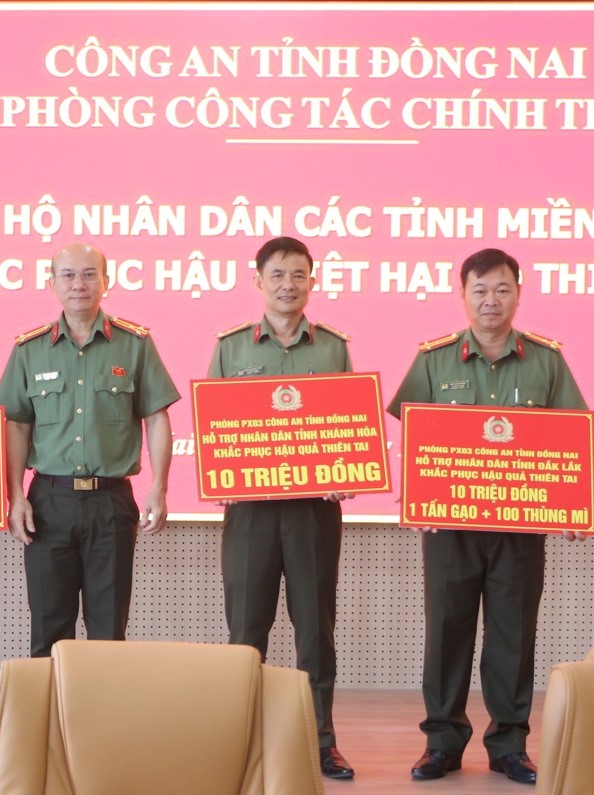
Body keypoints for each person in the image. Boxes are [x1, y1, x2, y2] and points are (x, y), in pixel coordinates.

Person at [386, 248, 588, 785]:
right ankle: (442, 743)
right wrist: (416, 494)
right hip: (450, 527)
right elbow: (414, 434)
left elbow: (571, 438)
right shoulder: (434, 359)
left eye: (502, 289)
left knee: (512, 636)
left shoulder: (547, 360)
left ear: (518, 293)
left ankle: (509, 745)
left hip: (519, 529)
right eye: (480, 290)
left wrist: (574, 505)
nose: (491, 300)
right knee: (446, 633)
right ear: (463, 295)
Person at [206, 236, 355, 781]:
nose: (288, 285)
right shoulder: (231, 348)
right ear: (259, 281)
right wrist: (219, 469)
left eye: (298, 275)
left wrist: (347, 470)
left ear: (312, 281)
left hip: (313, 510)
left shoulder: (334, 348)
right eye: (277, 275)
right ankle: (243, 740)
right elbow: (214, 423)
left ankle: (320, 740)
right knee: (247, 629)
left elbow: (348, 424)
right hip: (251, 510)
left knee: (315, 628)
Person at [0, 242, 179, 658]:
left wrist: (159, 488)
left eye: (89, 274)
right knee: (48, 631)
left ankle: (102, 706)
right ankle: (50, 705)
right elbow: (16, 425)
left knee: (108, 633)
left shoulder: (135, 344)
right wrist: (15, 495)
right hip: (48, 504)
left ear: (106, 281)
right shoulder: (29, 349)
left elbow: (156, 418)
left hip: (110, 503)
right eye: (68, 275)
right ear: (52, 283)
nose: (79, 284)